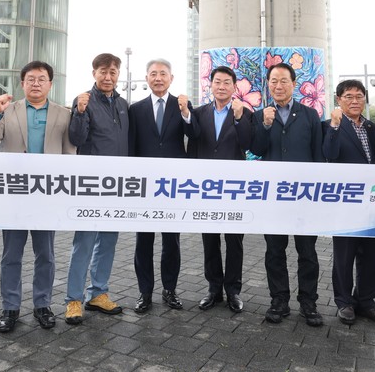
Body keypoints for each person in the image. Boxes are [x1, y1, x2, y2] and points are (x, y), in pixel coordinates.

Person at [0, 61, 76, 331]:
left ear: (50, 84)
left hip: (47, 195)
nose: (36, 83)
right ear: (22, 83)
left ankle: (42, 305)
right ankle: (10, 307)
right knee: (11, 254)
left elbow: (70, 154)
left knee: (45, 254)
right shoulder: (8, 110)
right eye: (31, 79)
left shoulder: (63, 114)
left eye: (41, 79)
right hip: (15, 193)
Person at [250, 62, 324, 327]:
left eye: (283, 81)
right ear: (268, 85)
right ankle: (279, 300)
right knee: (274, 251)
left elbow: (318, 155)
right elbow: (257, 149)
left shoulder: (310, 115)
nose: (278, 86)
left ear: (294, 84)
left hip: (304, 196)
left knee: (308, 252)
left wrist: (317, 193)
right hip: (273, 197)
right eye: (273, 81)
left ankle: (308, 302)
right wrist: (265, 125)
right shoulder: (260, 115)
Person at [65, 53, 129, 325]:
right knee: (85, 242)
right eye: (103, 71)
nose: (108, 77)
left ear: (118, 75)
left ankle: (98, 293)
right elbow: (76, 138)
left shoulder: (123, 104)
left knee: (108, 241)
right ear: (94, 73)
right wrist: (79, 113)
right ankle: (73, 299)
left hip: (117, 185)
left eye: (113, 72)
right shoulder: (84, 101)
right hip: (91, 185)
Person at [323, 79, 375, 326]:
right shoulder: (329, 126)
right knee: (344, 255)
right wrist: (334, 126)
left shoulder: (373, 128)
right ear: (338, 100)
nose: (355, 101)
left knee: (373, 254)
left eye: (359, 96)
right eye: (348, 96)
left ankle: (366, 301)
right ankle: (344, 302)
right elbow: (329, 155)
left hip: (373, 202)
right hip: (346, 201)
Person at [129, 59, 194, 313]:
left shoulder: (182, 105)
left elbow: (195, 134)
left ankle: (170, 290)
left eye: (163, 74)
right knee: (143, 242)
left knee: (171, 242)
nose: (158, 78)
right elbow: (132, 147)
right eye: (153, 74)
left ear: (171, 78)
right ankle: (145, 292)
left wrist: (187, 113)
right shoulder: (136, 109)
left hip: (173, 185)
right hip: (144, 186)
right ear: (147, 78)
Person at [187, 66, 252, 314]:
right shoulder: (198, 113)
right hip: (206, 188)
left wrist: (239, 118)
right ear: (210, 84)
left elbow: (248, 143)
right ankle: (214, 289)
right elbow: (192, 147)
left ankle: (233, 291)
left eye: (226, 82)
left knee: (234, 241)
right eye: (217, 81)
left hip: (234, 188)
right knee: (210, 240)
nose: (221, 86)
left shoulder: (243, 112)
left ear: (234, 87)